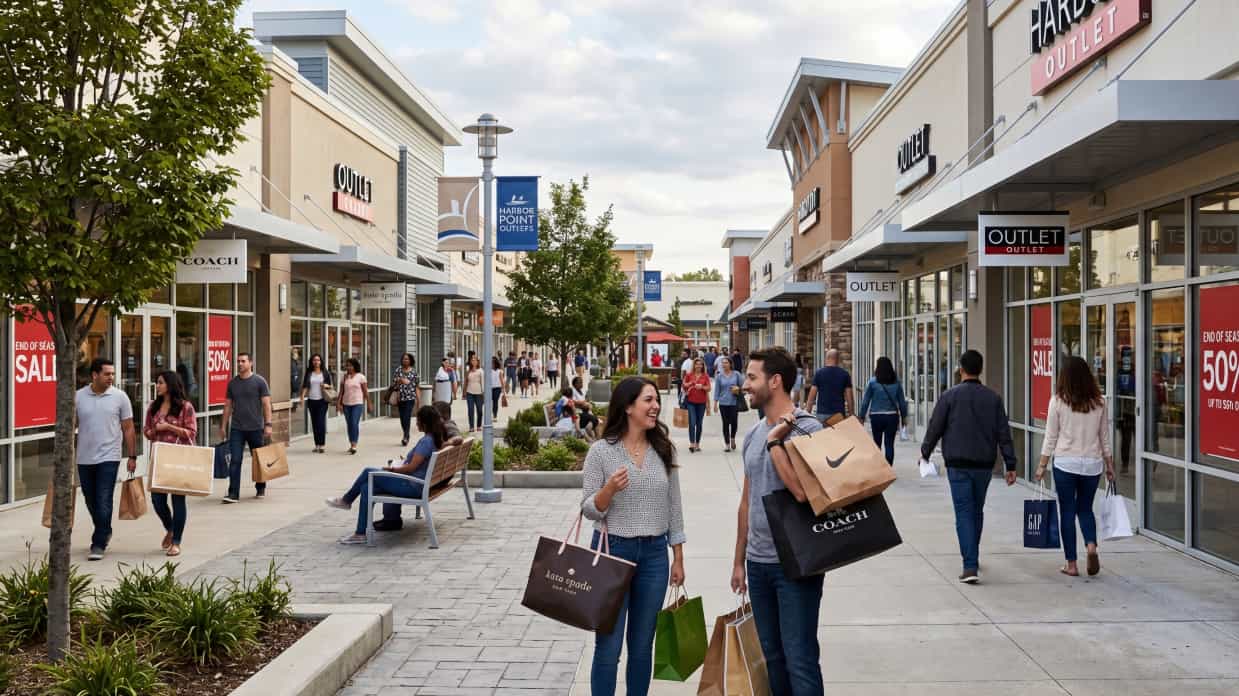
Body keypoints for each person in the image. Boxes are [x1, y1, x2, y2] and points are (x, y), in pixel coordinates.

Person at [581, 376, 686, 696]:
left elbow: (674, 506)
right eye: (648, 400)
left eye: (656, 400)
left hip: (654, 556)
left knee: (642, 646)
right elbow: (589, 509)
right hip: (612, 552)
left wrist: (678, 557)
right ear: (628, 407)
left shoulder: (664, 449)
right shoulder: (601, 452)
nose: (655, 407)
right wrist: (609, 489)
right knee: (608, 647)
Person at [730, 347, 824, 694]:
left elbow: (801, 491)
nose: (745, 385)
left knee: (800, 659)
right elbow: (746, 501)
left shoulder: (806, 428)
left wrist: (775, 443)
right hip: (758, 563)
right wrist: (739, 560)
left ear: (775, 381)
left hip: (796, 563)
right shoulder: (753, 434)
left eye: (752, 377)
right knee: (772, 658)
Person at [919, 349, 1018, 584]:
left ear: (961, 369)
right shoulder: (993, 399)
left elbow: (935, 427)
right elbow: (1004, 433)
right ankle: (972, 555)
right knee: (977, 510)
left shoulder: (949, 396)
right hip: (984, 464)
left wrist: (925, 453)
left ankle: (970, 565)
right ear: (980, 370)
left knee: (964, 512)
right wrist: (1010, 463)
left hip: (958, 463)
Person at [1035, 355, 1116, 577]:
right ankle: (1091, 545)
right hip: (1092, 464)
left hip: (1065, 463)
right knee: (1085, 509)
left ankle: (1071, 564)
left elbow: (1050, 437)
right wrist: (1110, 465)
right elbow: (1104, 437)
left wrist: (1042, 465)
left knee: (1068, 512)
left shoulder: (1057, 402)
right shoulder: (1100, 402)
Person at [326, 405, 449, 543]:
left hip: (413, 486)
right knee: (366, 488)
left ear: (425, 423)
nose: (416, 423)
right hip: (420, 484)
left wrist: (392, 470)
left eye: (418, 420)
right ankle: (360, 533)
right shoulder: (435, 439)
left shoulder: (426, 441)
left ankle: (346, 501)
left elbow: (411, 468)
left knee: (368, 471)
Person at [75, 358, 137, 561]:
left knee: (103, 498)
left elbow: (128, 428)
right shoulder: (78, 397)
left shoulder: (120, 397)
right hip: (84, 457)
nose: (111, 377)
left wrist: (132, 455)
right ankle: (105, 529)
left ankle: (98, 542)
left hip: (109, 457)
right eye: (107, 374)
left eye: (112, 374)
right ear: (95, 375)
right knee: (90, 499)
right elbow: (70, 425)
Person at [144, 371, 196, 557]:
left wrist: (168, 427)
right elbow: (146, 430)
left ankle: (176, 542)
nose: (157, 386)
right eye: (157, 382)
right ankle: (171, 528)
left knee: (177, 500)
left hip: (178, 459)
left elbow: (191, 433)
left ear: (170, 385)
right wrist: (152, 432)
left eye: (160, 383)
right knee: (157, 500)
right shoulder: (153, 407)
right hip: (159, 459)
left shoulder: (185, 407)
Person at [220, 352, 273, 504]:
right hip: (237, 428)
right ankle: (233, 493)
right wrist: (223, 426)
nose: (240, 364)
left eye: (243, 361)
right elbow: (228, 406)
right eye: (238, 361)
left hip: (256, 428)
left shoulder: (259, 381)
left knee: (259, 460)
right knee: (235, 460)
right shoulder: (232, 383)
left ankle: (260, 486)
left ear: (251, 363)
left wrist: (268, 424)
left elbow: (266, 404)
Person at [858, 356, 909, 465]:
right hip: (892, 416)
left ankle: (878, 467)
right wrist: (904, 416)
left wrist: (861, 416)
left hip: (876, 416)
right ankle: (888, 467)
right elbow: (902, 402)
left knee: (877, 443)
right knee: (889, 444)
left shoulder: (872, 382)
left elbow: (865, 401)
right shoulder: (896, 383)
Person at [806, 349, 854, 425]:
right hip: (838, 415)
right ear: (838, 359)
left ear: (827, 358)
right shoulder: (845, 374)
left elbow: (811, 398)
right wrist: (851, 415)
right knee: (838, 433)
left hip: (822, 414)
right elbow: (849, 398)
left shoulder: (819, 373)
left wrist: (807, 415)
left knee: (823, 433)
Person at [299, 353, 332, 453]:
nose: (316, 362)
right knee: (314, 423)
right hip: (311, 401)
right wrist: (302, 397)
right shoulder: (309, 373)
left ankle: (322, 445)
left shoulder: (325, 373)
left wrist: (325, 385)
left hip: (322, 401)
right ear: (312, 362)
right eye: (314, 360)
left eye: (318, 360)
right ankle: (317, 445)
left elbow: (330, 386)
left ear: (321, 361)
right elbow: (305, 385)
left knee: (320, 422)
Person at [337, 358, 371, 455]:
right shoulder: (344, 377)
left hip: (357, 403)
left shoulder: (361, 377)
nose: (349, 367)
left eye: (351, 365)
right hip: (346, 404)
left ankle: (354, 445)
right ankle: (351, 442)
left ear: (355, 366)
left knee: (354, 423)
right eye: (347, 365)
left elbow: (365, 391)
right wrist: (338, 403)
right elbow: (341, 392)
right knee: (349, 424)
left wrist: (369, 403)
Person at [713, 356, 744, 451]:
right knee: (725, 423)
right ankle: (727, 444)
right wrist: (715, 403)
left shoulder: (736, 374)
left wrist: (738, 389)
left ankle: (732, 438)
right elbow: (717, 390)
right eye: (723, 363)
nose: (724, 364)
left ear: (730, 364)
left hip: (734, 402)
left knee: (734, 422)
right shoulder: (719, 376)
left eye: (726, 362)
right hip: (723, 403)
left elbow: (743, 387)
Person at [682, 357, 711, 452]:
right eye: (697, 364)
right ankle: (692, 443)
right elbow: (684, 385)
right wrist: (690, 383)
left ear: (703, 366)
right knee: (692, 422)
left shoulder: (705, 376)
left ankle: (697, 443)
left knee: (699, 424)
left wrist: (702, 387)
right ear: (694, 365)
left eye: (700, 364)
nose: (698, 366)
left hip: (702, 403)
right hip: (690, 402)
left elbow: (709, 388)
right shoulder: (689, 375)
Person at [392, 353, 419, 447]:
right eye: (404, 359)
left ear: (410, 361)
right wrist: (400, 381)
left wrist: (418, 399)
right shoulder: (398, 370)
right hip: (400, 397)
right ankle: (406, 433)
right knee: (402, 417)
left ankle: (406, 436)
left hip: (410, 397)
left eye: (407, 359)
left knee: (407, 416)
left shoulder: (414, 372)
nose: (405, 360)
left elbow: (417, 386)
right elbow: (394, 384)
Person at [463, 355, 485, 432]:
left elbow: (483, 382)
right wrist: (464, 392)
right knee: (470, 410)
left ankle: (479, 425)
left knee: (480, 410)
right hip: (469, 393)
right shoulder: (468, 371)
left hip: (479, 393)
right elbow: (466, 382)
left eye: (475, 360)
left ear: (477, 362)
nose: (473, 361)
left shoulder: (481, 371)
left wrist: (483, 393)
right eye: (472, 360)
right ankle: (471, 426)